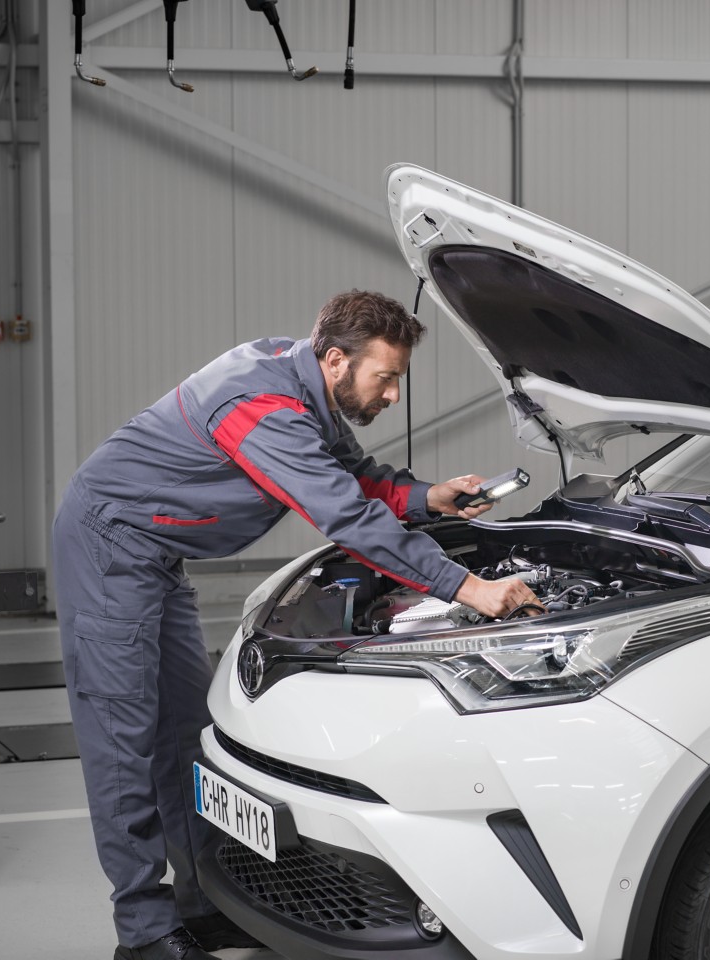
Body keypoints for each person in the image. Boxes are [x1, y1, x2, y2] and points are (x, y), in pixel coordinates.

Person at [51, 290, 539, 960]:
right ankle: (143, 935)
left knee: (183, 736)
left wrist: (429, 496)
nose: (393, 395)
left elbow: (357, 479)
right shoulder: (263, 407)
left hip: (157, 556)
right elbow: (346, 516)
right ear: (337, 360)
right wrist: (468, 587)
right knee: (123, 744)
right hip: (108, 546)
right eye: (386, 378)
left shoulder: (308, 386)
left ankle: (200, 907)